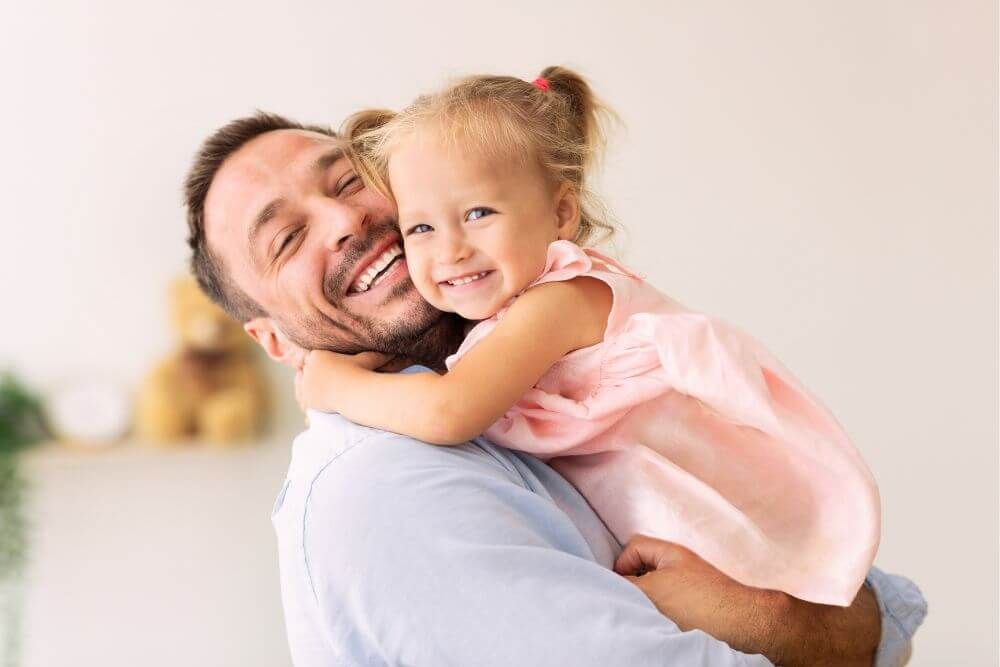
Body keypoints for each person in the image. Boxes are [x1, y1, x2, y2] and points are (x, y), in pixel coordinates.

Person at [183, 106, 926, 665]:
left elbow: (864, 610)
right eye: (285, 239)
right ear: (277, 343)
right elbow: (861, 629)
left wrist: (761, 615)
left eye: (349, 180)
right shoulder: (381, 485)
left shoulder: (540, 393)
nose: (344, 218)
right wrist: (331, 382)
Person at [296, 67, 879, 608]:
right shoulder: (516, 310)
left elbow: (450, 411)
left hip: (716, 513)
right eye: (420, 227)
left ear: (561, 216)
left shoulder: (561, 299)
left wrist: (332, 383)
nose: (450, 249)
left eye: (478, 213)